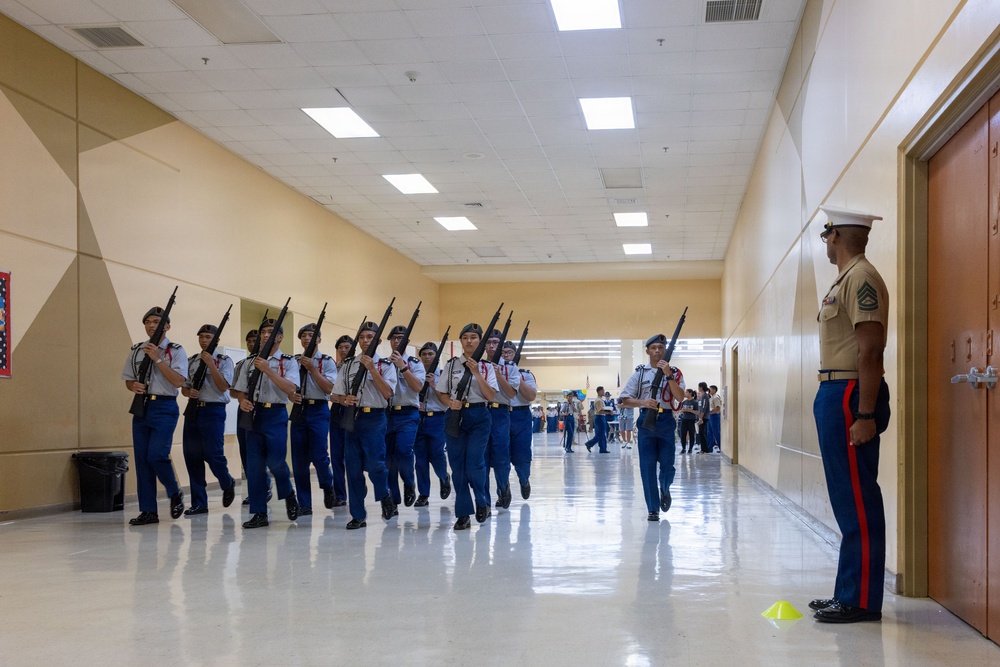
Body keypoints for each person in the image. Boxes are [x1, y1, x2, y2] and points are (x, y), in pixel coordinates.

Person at [810, 207, 890, 624]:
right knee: (847, 498)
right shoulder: (846, 279)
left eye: (826, 235)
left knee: (858, 499)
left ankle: (861, 601)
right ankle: (849, 592)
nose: (825, 242)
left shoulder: (861, 278)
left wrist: (864, 413)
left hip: (849, 395)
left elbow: (871, 350)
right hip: (836, 391)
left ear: (836, 234)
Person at [121, 306, 187, 525]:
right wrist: (134, 387)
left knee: (156, 455)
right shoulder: (137, 350)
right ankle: (148, 511)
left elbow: (178, 382)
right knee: (142, 460)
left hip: (165, 407)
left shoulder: (176, 351)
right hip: (142, 407)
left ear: (167, 326)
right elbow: (128, 379)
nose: (151, 325)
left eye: (157, 322)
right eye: (148, 321)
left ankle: (174, 491)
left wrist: (158, 359)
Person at [232, 319, 299, 529]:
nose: (266, 335)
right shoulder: (249, 362)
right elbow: (239, 389)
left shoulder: (288, 362)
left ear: (279, 337)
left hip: (275, 414)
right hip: (253, 414)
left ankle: (288, 492)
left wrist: (269, 370)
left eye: (271, 332)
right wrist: (242, 401)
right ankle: (259, 512)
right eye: (263, 332)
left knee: (276, 462)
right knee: (254, 466)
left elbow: (291, 389)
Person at [331, 321, 398, 530]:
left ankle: (384, 494)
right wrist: (343, 400)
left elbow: (388, 393)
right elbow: (335, 394)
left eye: (370, 337)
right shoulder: (348, 364)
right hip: (352, 418)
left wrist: (371, 369)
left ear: (378, 341)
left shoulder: (385, 365)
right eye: (362, 338)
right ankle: (358, 515)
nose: (365, 341)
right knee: (352, 469)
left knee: (376, 466)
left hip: (375, 418)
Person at [435, 323, 498, 530]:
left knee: (475, 464)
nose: (469, 341)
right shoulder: (451, 365)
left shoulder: (487, 366)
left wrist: (477, 373)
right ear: (460, 341)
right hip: (455, 416)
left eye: (473, 337)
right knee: (458, 467)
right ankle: (463, 513)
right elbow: (441, 392)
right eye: (465, 337)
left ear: (480, 342)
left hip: (479, 415)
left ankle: (482, 502)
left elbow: (490, 395)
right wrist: (448, 403)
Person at [620, 335, 685, 521]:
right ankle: (652, 508)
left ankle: (665, 488)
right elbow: (625, 399)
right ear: (647, 351)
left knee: (667, 466)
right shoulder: (640, 373)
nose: (657, 350)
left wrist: (668, 375)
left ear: (665, 351)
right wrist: (643, 402)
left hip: (666, 422)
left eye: (661, 348)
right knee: (647, 467)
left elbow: (680, 398)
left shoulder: (674, 372)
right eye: (654, 347)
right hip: (646, 422)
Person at [180, 323, 237, 515]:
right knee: (192, 456)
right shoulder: (192, 360)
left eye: (208, 337)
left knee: (213, 454)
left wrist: (211, 364)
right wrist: (189, 392)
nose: (204, 340)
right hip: (194, 410)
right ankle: (199, 503)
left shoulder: (225, 361)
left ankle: (226, 481)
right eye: (201, 337)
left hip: (213, 410)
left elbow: (223, 387)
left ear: (216, 340)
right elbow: (184, 388)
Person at [289, 323, 337, 516]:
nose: (307, 339)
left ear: (319, 339)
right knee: (299, 460)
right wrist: (290, 395)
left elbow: (329, 388)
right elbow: (287, 385)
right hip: (299, 409)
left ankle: (327, 485)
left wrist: (312, 369)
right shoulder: (293, 360)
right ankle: (305, 504)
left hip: (318, 410)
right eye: (304, 336)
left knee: (319, 456)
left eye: (311, 335)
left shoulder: (326, 361)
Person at [385, 324, 426, 509]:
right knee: (388, 460)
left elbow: (418, 387)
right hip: (386, 413)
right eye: (393, 338)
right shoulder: (383, 364)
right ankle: (393, 501)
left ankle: (409, 483)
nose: (396, 341)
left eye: (400, 338)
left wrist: (402, 367)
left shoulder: (415, 364)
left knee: (403, 451)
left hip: (408, 413)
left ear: (407, 342)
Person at [234, 328, 271, 506]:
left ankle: (265, 486)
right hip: (244, 410)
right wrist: (242, 398)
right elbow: (234, 390)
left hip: (264, 410)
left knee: (261, 453)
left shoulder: (269, 362)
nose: (252, 343)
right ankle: (254, 490)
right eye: (248, 340)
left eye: (254, 340)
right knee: (246, 453)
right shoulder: (242, 364)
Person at [414, 341, 451, 506]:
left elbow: (447, 401)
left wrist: (434, 385)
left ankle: (444, 477)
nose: (427, 357)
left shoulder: (443, 374)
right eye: (424, 354)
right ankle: (423, 494)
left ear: (436, 357)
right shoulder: (414, 372)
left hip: (437, 418)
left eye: (430, 354)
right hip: (418, 418)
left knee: (437, 454)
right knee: (420, 459)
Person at [485, 331, 519, 510]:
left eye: (496, 343)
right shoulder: (477, 365)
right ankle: (483, 499)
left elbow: (512, 393)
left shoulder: (510, 367)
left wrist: (498, 375)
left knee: (500, 455)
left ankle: (503, 489)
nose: (492, 346)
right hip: (481, 412)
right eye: (489, 342)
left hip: (500, 413)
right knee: (481, 456)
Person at [505, 341, 537, 500]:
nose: (506, 355)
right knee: (501, 455)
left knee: (522, 455)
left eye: (510, 352)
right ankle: (503, 489)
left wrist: (516, 377)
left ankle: (524, 480)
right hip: (501, 414)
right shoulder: (493, 372)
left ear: (516, 355)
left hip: (521, 416)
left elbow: (531, 396)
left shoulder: (526, 374)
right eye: (503, 352)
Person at [327, 334, 353, 507]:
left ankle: (358, 486)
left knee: (351, 456)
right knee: (336, 455)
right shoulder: (332, 367)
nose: (343, 351)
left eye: (347, 347)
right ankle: (340, 494)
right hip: (337, 411)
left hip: (352, 411)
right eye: (340, 348)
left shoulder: (359, 367)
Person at [585, 385, 610, 453]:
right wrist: (609, 412)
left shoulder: (600, 400)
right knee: (600, 434)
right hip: (600, 417)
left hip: (601, 417)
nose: (604, 392)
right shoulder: (598, 400)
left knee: (602, 434)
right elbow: (600, 411)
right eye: (603, 391)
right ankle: (589, 443)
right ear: (599, 391)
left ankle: (603, 448)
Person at [678, 389, 698, 453]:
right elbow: (680, 410)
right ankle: (683, 448)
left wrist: (690, 410)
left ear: (690, 393)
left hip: (691, 420)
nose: (685, 393)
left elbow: (698, 412)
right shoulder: (684, 402)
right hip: (684, 419)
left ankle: (690, 448)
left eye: (686, 392)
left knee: (692, 434)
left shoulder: (695, 402)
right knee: (683, 434)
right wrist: (682, 411)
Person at [696, 382, 711, 453]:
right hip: (701, 417)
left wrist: (701, 418)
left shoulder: (705, 396)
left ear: (701, 387)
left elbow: (704, 408)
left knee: (702, 433)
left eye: (698, 387)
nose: (698, 388)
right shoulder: (701, 396)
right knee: (701, 433)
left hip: (704, 417)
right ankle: (703, 449)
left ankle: (705, 449)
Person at [709, 385, 723, 451]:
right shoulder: (711, 397)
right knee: (710, 432)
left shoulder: (716, 397)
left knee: (716, 432)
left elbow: (718, 408)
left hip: (715, 416)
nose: (709, 391)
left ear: (714, 390)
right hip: (711, 416)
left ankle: (721, 447)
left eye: (710, 389)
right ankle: (709, 448)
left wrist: (711, 412)